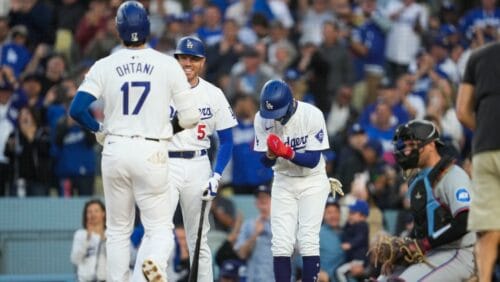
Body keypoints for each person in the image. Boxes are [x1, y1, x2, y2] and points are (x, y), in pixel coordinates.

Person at [68, 2, 200, 281]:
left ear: (118, 30)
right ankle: (153, 263)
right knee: (160, 228)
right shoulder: (168, 64)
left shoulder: (105, 64)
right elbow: (190, 117)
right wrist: (167, 128)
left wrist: (98, 130)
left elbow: (77, 109)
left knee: (117, 230)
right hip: (152, 149)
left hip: (115, 148)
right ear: (148, 27)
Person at [168, 36, 237, 282]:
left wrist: (216, 175)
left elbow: (227, 140)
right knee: (159, 233)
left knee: (199, 238)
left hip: (198, 163)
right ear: (176, 59)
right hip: (166, 163)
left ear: (203, 62)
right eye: (183, 58)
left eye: (193, 58)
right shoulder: (162, 89)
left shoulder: (213, 93)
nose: (188, 63)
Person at [253, 79, 332, 281]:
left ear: (290, 103)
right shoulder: (261, 119)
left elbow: (313, 160)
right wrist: (271, 155)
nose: (274, 119)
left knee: (307, 240)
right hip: (283, 180)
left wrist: (287, 152)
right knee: (280, 243)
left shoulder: (312, 115)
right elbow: (264, 162)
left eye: (277, 113)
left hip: (312, 181)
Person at [386, 119, 475, 280]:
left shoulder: (453, 175)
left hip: (459, 252)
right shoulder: (416, 181)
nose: (407, 151)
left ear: (431, 145)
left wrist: (424, 244)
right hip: (431, 253)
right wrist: (406, 248)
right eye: (405, 146)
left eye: (412, 145)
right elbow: (423, 226)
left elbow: (465, 221)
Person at [456, 40, 500, 282]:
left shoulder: (477, 57)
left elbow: (462, 110)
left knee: (488, 227)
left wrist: (483, 129)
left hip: (484, 149)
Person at [234, 184, 274, 281]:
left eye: (266, 197)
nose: (262, 200)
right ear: (256, 203)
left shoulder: (283, 225)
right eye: (259, 198)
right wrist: (255, 235)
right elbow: (241, 254)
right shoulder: (248, 225)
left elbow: (295, 251)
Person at [70, 199, 107, 282]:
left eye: (96, 211)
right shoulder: (80, 234)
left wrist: (104, 239)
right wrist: (87, 239)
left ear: (103, 213)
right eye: (89, 212)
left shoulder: (111, 234)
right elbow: (75, 259)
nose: (93, 214)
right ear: (86, 215)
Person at [336, 199, 369, 282]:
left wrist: (350, 244)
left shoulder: (362, 225)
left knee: (340, 272)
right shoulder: (352, 226)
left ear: (363, 216)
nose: (350, 215)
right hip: (353, 259)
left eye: (353, 213)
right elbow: (345, 232)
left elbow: (360, 238)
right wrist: (348, 223)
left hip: (359, 260)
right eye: (349, 213)